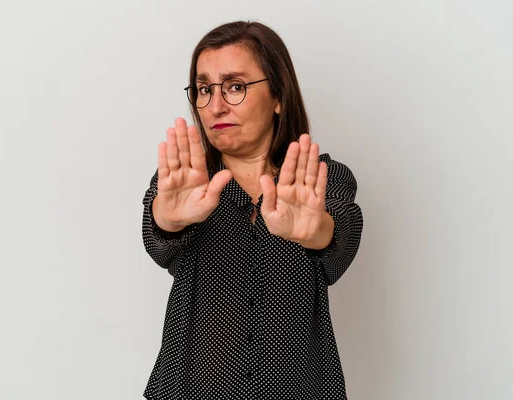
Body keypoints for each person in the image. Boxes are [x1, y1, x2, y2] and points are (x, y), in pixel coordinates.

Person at [142, 21, 363, 400]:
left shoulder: (321, 178)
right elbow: (159, 241)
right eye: (204, 89)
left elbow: (337, 251)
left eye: (235, 86)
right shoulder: (186, 181)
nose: (216, 105)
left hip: (297, 388)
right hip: (189, 387)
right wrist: (166, 220)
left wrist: (317, 232)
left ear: (278, 95)